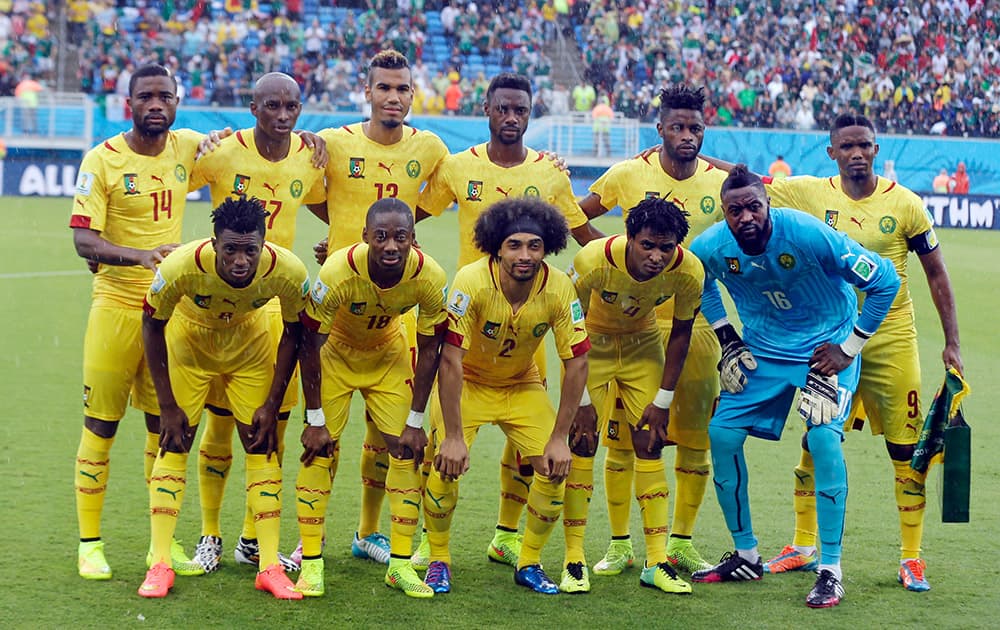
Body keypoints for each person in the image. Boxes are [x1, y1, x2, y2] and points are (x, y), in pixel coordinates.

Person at [754, 114, 964, 592]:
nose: (856, 153)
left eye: (864, 145)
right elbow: (746, 181)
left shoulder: (905, 204)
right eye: (846, 145)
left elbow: (936, 274)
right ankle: (803, 545)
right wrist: (692, 153)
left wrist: (952, 341)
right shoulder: (808, 192)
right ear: (832, 152)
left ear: (875, 148)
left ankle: (911, 557)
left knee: (905, 449)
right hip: (830, 338)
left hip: (890, 338)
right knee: (817, 438)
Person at [688, 165, 900, 608]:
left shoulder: (808, 233)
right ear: (724, 213)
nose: (745, 217)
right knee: (721, 434)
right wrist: (727, 337)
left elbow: (885, 280)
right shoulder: (709, 246)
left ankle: (830, 569)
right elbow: (699, 284)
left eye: (753, 207)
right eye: (734, 210)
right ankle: (746, 555)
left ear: (768, 204)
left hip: (826, 351)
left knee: (823, 439)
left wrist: (849, 347)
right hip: (762, 350)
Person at [416, 71, 603, 570]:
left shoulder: (550, 173)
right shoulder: (458, 168)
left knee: (529, 450)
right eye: (503, 109)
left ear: (529, 112)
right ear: (487, 109)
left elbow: (582, 231)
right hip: (468, 320)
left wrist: (625, 263)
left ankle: (507, 536)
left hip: (526, 336)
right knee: (438, 447)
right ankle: (426, 546)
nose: (512, 118)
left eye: (521, 110)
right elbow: (408, 215)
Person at [579, 85, 727, 578]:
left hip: (696, 324)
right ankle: (620, 544)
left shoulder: (718, 182)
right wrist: (616, 262)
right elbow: (575, 216)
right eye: (678, 127)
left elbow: (757, 204)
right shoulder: (627, 174)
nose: (688, 136)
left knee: (695, 439)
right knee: (625, 440)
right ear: (659, 127)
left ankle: (680, 541)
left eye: (696, 129)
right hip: (631, 325)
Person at [309, 49, 450, 567]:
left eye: (403, 89)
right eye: (384, 88)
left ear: (413, 94)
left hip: (397, 308)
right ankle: (305, 542)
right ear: (366, 92)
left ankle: (370, 532)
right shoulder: (335, 143)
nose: (394, 97)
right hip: (341, 296)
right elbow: (309, 192)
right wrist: (343, 239)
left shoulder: (431, 147)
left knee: (390, 430)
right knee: (321, 427)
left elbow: (432, 203)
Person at [187, 72, 326, 573]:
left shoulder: (310, 158)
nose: (283, 115)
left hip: (276, 308)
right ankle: (209, 534)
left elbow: (336, 206)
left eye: (292, 106)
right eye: (273, 105)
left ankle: (251, 537)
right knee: (220, 428)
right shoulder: (221, 153)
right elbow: (171, 169)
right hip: (220, 306)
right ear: (252, 108)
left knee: (273, 430)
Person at [70, 64, 204, 582]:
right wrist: (139, 255)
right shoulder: (101, 160)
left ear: (176, 102)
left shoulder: (188, 148)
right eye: (145, 96)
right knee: (100, 427)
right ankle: (89, 543)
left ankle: (160, 550)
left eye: (164, 96)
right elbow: (85, 241)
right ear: (129, 103)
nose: (155, 104)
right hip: (115, 309)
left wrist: (306, 138)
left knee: (164, 429)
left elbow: (251, 146)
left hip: (166, 314)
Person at [138, 197, 309, 600]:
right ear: (214, 243)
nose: (240, 260)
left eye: (250, 250)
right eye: (230, 249)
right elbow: (151, 324)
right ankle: (160, 562)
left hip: (248, 352)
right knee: (175, 442)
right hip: (190, 349)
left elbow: (294, 332)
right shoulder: (180, 267)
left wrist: (272, 401)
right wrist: (167, 406)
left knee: (262, 446)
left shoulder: (287, 270)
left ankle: (268, 566)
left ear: (264, 245)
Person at [421, 197, 591, 594]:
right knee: (445, 465)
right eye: (514, 245)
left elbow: (578, 364)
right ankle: (438, 559)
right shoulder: (471, 281)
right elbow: (450, 361)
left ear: (546, 246)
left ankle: (529, 562)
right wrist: (453, 435)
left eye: (534, 245)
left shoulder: (560, 288)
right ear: (496, 246)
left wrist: (559, 438)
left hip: (522, 385)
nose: (525, 255)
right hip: (469, 383)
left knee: (553, 467)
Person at [293, 198, 448, 599]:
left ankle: (399, 565)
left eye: (400, 237)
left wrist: (416, 422)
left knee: (404, 449)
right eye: (381, 236)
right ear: (365, 237)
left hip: (388, 355)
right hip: (336, 354)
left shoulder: (429, 276)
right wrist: (314, 416)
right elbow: (310, 342)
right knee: (320, 448)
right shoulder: (338, 271)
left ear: (414, 240)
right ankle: (311, 562)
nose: (391, 246)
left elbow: (431, 349)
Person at [562, 197, 702, 595]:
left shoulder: (689, 271)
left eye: (666, 247)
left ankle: (656, 561)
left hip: (643, 346)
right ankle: (574, 558)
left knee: (650, 442)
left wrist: (662, 400)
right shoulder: (592, 261)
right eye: (648, 245)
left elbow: (681, 332)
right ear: (628, 238)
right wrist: (583, 402)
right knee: (583, 442)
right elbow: (567, 327)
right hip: (590, 345)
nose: (657, 256)